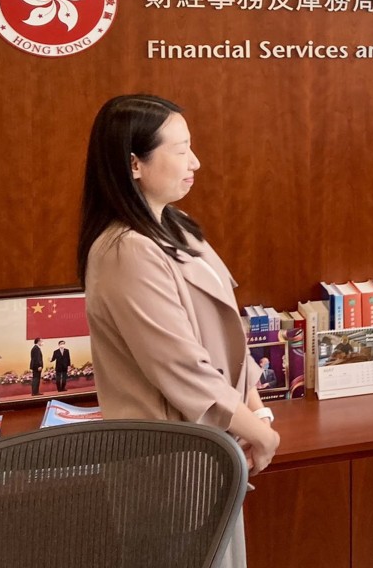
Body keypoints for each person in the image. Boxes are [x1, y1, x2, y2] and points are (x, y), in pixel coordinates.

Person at [77, 94, 280, 568]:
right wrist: (259, 434)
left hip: (215, 448)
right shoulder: (125, 250)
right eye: (181, 149)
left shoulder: (177, 226)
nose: (196, 162)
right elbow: (181, 367)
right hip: (169, 464)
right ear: (134, 164)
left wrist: (258, 415)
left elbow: (226, 333)